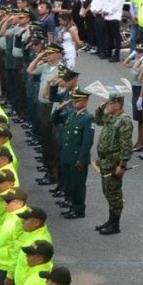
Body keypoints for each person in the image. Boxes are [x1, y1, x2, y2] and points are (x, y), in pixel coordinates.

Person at [93, 93, 133, 235]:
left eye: (110, 104)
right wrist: (100, 108)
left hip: (114, 162)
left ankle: (115, 224)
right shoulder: (110, 117)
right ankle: (110, 220)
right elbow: (98, 120)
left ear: (118, 105)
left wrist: (122, 165)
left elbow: (126, 145)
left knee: (114, 193)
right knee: (108, 191)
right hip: (105, 161)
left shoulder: (124, 121)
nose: (107, 105)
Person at [54, 90, 94, 219]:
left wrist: (81, 159)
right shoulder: (71, 114)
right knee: (69, 182)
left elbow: (87, 142)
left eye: (78, 101)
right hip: (67, 155)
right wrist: (59, 108)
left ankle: (78, 209)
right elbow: (54, 120)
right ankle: (71, 205)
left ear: (85, 101)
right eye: (74, 101)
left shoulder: (88, 118)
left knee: (78, 185)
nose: (75, 103)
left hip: (77, 158)